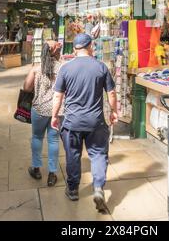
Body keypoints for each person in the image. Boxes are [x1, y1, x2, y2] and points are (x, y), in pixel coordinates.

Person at [51, 33, 118, 212]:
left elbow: (58, 95)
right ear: (90, 46)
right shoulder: (101, 67)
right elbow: (111, 94)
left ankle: (72, 189)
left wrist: (54, 116)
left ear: (75, 49)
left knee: (73, 155)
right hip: (95, 122)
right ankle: (98, 188)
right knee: (98, 154)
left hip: (72, 122)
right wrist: (114, 112)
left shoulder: (65, 68)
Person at [23, 40, 63, 186]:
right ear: (55, 52)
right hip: (57, 111)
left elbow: (26, 88)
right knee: (53, 140)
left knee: (37, 137)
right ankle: (52, 174)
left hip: (38, 110)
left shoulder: (36, 68)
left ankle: (36, 168)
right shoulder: (62, 68)